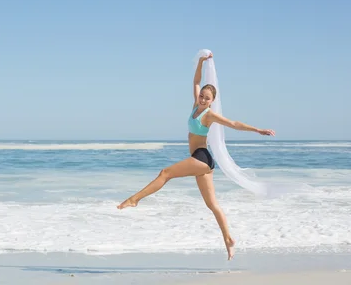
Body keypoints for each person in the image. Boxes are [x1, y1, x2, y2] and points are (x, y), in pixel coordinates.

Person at [117, 52, 276, 260]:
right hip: (201, 160)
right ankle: (228, 239)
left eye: (206, 98)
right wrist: (201, 61)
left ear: (212, 101)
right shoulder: (195, 106)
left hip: (202, 158)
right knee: (212, 205)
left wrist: (258, 130)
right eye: (201, 96)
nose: (202, 99)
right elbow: (196, 80)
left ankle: (134, 199)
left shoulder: (208, 114)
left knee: (165, 173)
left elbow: (234, 124)